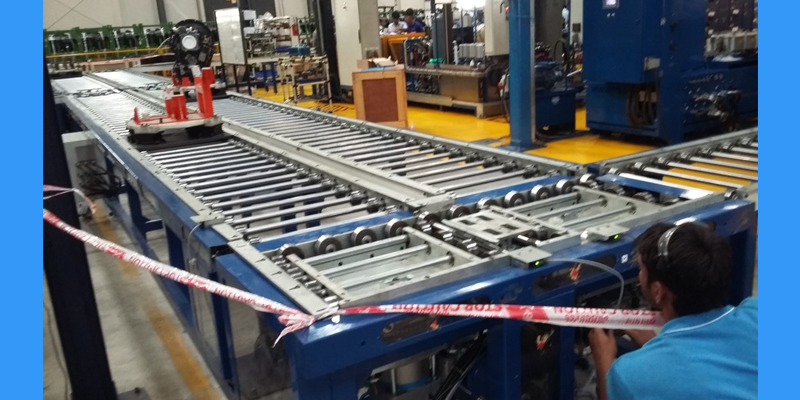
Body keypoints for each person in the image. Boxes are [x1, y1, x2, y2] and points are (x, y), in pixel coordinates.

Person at [589, 222, 757, 400]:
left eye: (641, 269)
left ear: (658, 291)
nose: (639, 276)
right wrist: (655, 346)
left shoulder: (630, 374)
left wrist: (604, 362)